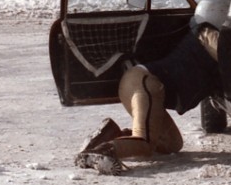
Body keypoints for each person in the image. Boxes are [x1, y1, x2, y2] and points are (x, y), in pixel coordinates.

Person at [74, 19, 220, 175]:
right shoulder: (209, 35)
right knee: (145, 143)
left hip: (140, 83)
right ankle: (105, 151)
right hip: (144, 82)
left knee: (172, 144)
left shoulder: (202, 33)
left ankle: (110, 134)